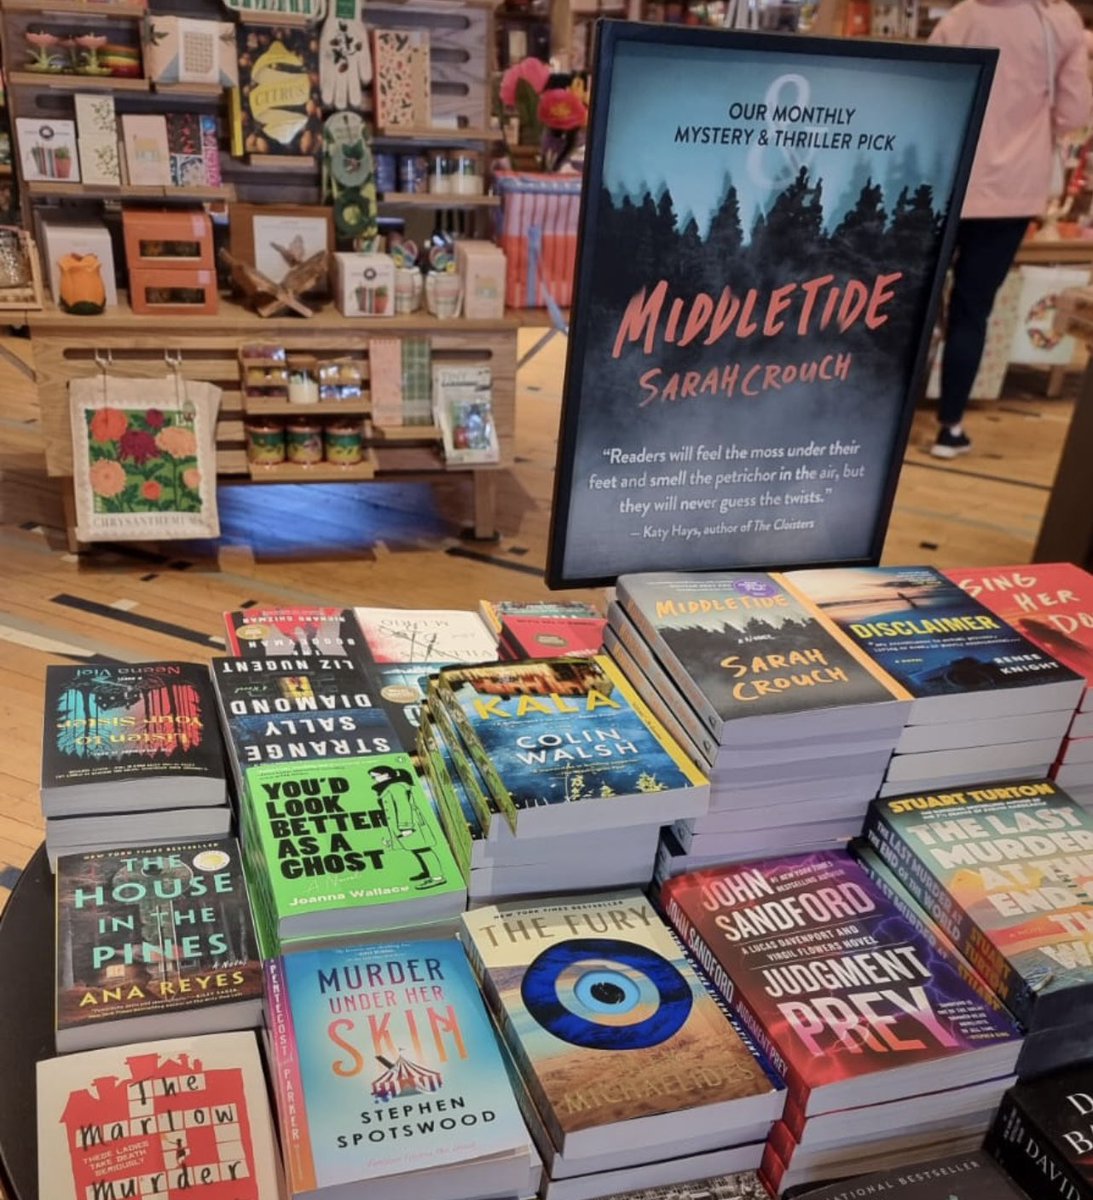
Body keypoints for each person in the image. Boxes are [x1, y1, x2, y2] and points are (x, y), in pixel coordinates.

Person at [929, 0, 1092, 459]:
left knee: (919, 305)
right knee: (972, 309)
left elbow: (936, 97)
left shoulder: (960, 18)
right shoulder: (1057, 21)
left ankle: (891, 420)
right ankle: (950, 427)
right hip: (1013, 190)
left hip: (948, 181)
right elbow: (1074, 115)